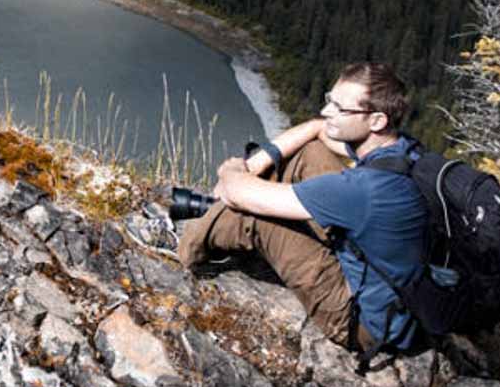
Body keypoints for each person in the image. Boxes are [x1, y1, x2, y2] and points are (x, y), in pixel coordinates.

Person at [177, 62, 428, 356]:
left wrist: (234, 170)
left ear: (376, 121)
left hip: (362, 321)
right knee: (312, 153)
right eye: (329, 100)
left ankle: (183, 256)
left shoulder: (364, 189)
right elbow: (318, 129)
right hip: (395, 295)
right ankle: (215, 227)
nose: (327, 112)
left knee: (256, 216)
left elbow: (238, 193)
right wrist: (259, 161)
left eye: (340, 109)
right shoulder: (403, 151)